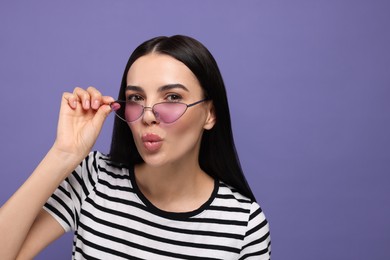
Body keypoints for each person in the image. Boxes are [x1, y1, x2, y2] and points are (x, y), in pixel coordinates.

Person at [0, 35, 271, 259]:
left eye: (172, 96)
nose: (148, 114)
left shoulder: (244, 223)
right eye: (136, 98)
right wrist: (64, 154)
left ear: (210, 114)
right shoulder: (94, 178)